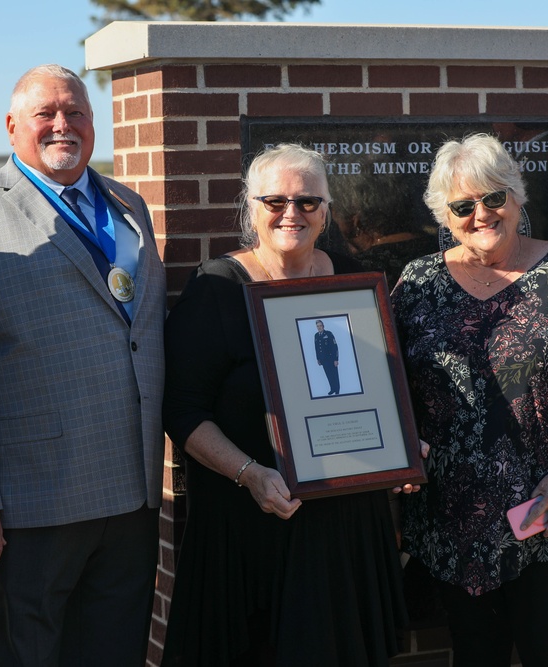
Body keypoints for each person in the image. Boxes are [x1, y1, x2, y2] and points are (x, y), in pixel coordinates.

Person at [0, 64, 167, 666]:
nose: (63, 125)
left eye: (76, 112)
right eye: (45, 114)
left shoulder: (129, 206)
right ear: (11, 126)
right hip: (28, 508)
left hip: (131, 495)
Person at [162, 143, 414, 666]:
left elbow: (376, 386)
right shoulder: (216, 288)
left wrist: (400, 445)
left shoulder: (351, 278)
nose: (291, 213)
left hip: (344, 528)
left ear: (327, 210)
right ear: (251, 207)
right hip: (251, 525)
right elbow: (183, 410)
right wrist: (249, 473)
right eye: (275, 200)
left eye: (307, 202)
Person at [392, 133, 548, 666]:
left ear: (518, 197)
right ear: (444, 215)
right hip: (453, 519)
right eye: (462, 206)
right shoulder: (416, 283)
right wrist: (399, 446)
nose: (481, 213)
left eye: (493, 197)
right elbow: (391, 390)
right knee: (475, 654)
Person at [313, 319, 340, 395]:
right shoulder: (316, 336)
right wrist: (318, 359)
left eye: (320, 326)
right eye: (317, 326)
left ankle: (337, 390)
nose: (319, 327)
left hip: (331, 358)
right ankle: (332, 389)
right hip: (323, 359)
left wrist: (336, 359)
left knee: (334, 374)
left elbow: (335, 347)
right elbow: (317, 348)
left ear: (323, 326)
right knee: (328, 375)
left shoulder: (328, 333)